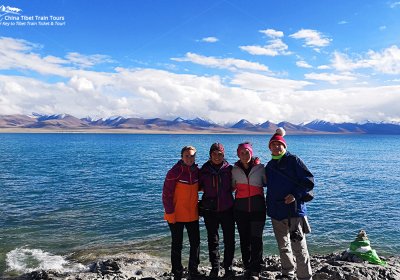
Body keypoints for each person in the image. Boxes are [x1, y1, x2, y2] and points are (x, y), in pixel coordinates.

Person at [265, 128, 314, 280]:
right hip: (277, 212)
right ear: (270, 148)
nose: (276, 147)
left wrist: (295, 195)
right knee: (283, 245)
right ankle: (288, 273)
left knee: (299, 246)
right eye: (273, 144)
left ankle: (305, 276)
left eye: (279, 144)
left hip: (294, 211)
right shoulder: (269, 166)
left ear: (284, 146)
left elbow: (309, 181)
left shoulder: (293, 160)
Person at [162, 145, 202, 280]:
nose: (190, 158)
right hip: (176, 215)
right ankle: (177, 272)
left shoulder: (197, 171)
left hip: (192, 214)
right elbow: (166, 195)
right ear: (182, 157)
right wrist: (170, 213)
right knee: (177, 244)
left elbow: (203, 185)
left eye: (192, 156)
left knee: (195, 243)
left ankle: (193, 270)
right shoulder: (174, 172)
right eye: (187, 156)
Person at [199, 143, 235, 280]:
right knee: (213, 240)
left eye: (220, 154)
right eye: (214, 154)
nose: (217, 157)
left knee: (229, 240)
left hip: (227, 209)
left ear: (223, 155)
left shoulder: (229, 169)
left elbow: (235, 185)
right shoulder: (204, 170)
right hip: (210, 210)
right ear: (210, 155)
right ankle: (215, 267)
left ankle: (228, 267)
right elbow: (198, 186)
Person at [231, 142, 267, 280]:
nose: (245, 155)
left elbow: (268, 182)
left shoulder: (260, 168)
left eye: (247, 152)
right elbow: (231, 187)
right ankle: (247, 267)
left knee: (256, 240)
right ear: (238, 155)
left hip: (258, 209)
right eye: (242, 153)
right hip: (240, 210)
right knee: (244, 240)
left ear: (251, 153)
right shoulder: (234, 170)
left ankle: (256, 270)